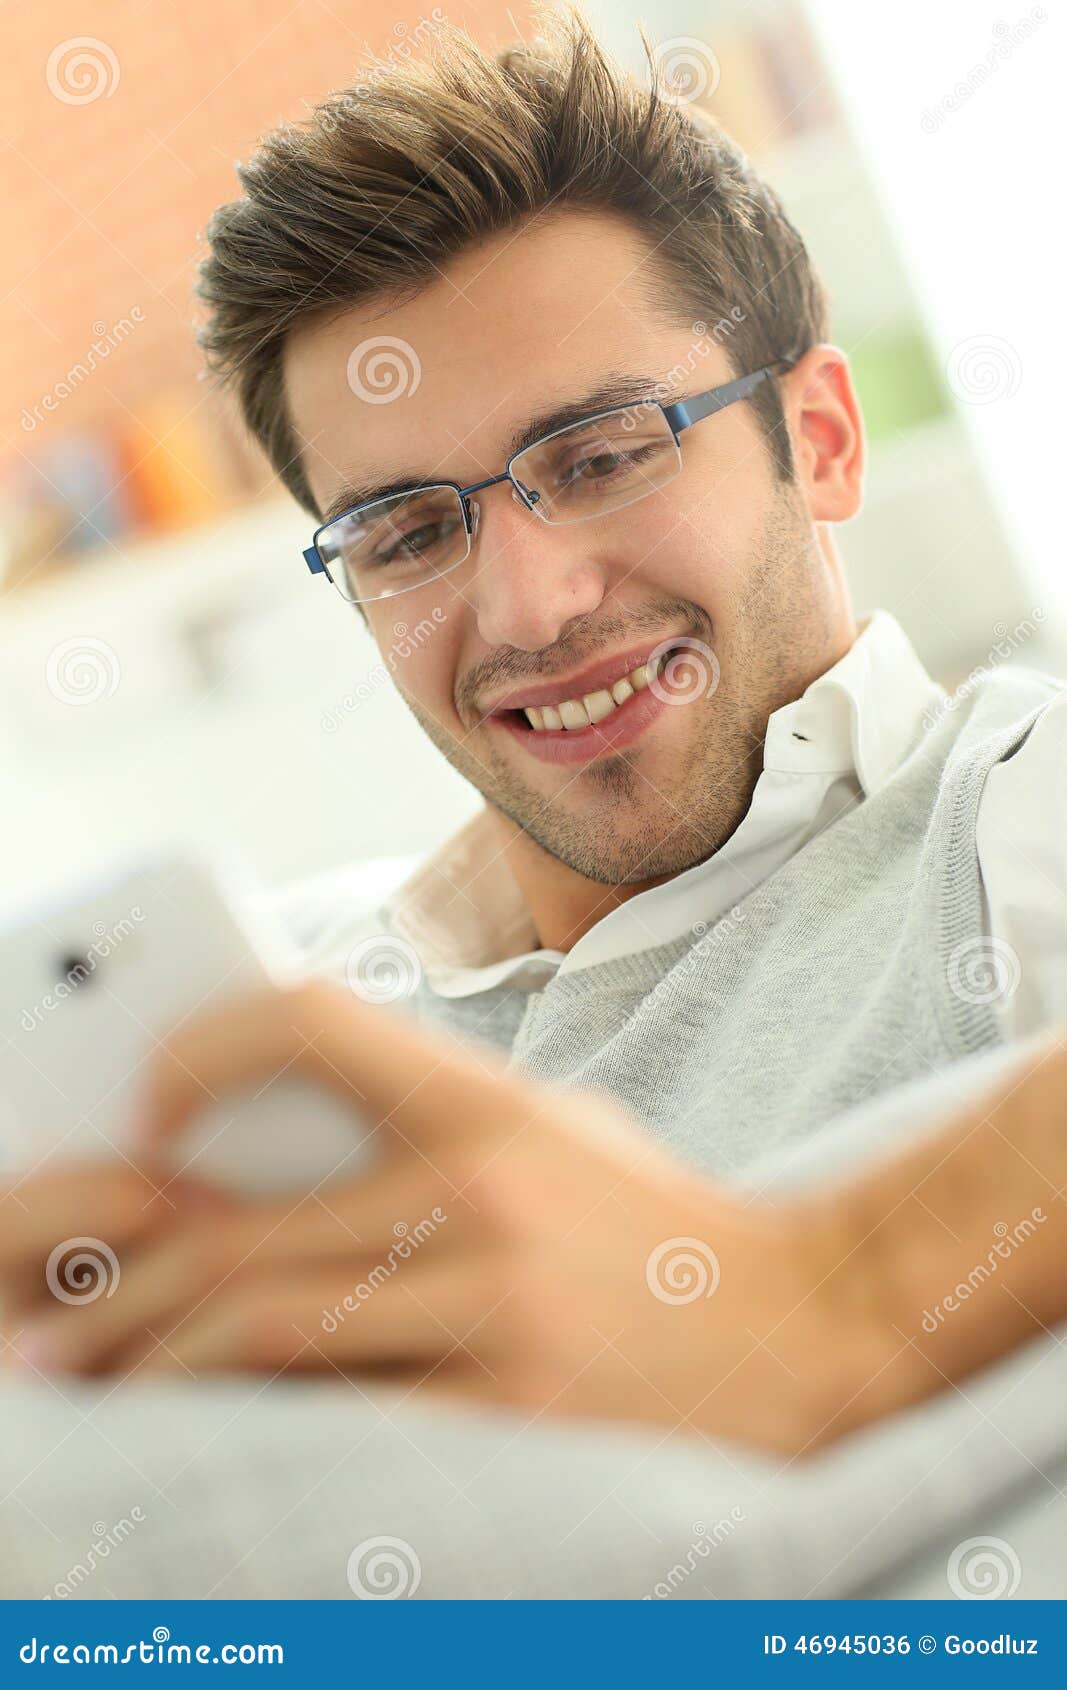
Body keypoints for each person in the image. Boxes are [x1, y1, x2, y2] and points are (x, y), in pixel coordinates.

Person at [3, 7, 1065, 1460]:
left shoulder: (1012, 820)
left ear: (819, 439)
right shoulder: (274, 1028)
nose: (526, 605)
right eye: (405, 533)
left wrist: (823, 1296)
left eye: (606, 456)